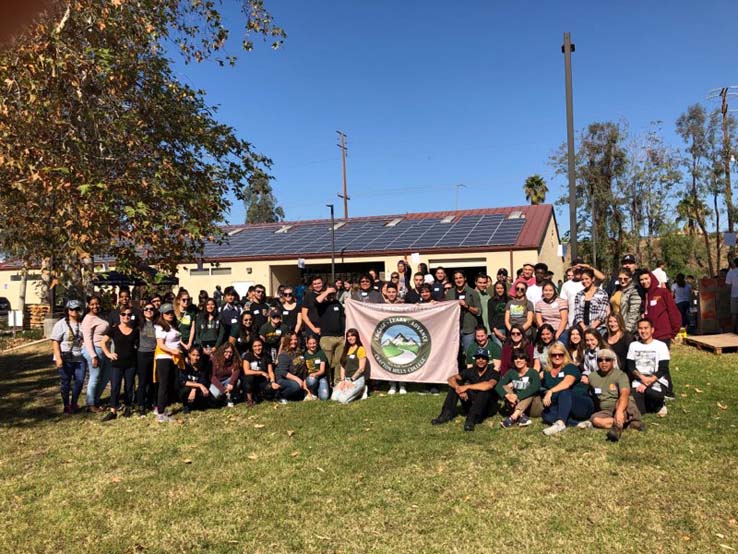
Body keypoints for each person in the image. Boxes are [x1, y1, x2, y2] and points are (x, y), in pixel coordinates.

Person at [430, 348, 500, 432]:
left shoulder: (493, 372)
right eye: (478, 358)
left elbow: (489, 385)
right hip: (472, 403)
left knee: (483, 391)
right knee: (454, 387)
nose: (480, 360)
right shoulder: (471, 371)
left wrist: (467, 387)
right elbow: (451, 379)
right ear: (475, 360)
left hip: (487, 407)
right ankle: (445, 415)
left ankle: (471, 420)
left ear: (487, 360)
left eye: (483, 358)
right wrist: (458, 388)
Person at [584, 348, 643, 441]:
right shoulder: (592, 377)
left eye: (607, 360)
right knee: (595, 420)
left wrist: (619, 411)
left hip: (623, 405)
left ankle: (617, 430)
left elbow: (624, 394)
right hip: (607, 410)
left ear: (613, 361)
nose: (604, 362)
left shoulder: (620, 375)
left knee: (620, 403)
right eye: (600, 360)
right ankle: (628, 424)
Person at [540, 343, 594, 436]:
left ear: (565, 355)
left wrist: (550, 391)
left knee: (564, 392)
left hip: (581, 404)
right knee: (546, 414)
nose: (557, 357)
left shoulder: (570, 367)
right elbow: (534, 380)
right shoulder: (546, 372)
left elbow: (567, 383)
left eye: (560, 354)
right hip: (564, 407)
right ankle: (578, 424)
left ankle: (560, 423)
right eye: (554, 355)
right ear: (549, 356)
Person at [99, 306, 140, 421]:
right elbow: (103, 342)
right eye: (123, 314)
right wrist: (108, 354)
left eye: (129, 314)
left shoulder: (135, 330)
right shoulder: (114, 329)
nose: (126, 316)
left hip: (131, 363)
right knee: (115, 387)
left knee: (129, 387)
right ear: (120, 316)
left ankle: (128, 407)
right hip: (117, 363)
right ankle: (113, 411)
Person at [626, 318, 672, 417]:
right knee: (639, 410)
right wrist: (642, 379)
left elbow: (663, 368)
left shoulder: (661, 345)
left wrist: (648, 382)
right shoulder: (633, 345)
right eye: (640, 328)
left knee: (653, 394)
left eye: (646, 328)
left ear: (652, 330)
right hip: (639, 381)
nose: (643, 331)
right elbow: (631, 366)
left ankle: (660, 403)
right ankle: (650, 405)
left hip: (657, 381)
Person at [51, 299, 86, 415]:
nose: (75, 311)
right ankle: (66, 405)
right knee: (65, 382)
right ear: (67, 310)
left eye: (77, 309)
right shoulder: (60, 324)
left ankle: (74, 402)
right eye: (72, 309)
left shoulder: (82, 324)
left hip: (79, 357)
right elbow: (55, 342)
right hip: (65, 357)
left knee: (80, 381)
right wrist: (58, 358)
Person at [153, 303, 183, 422]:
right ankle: (160, 413)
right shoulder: (160, 327)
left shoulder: (173, 326)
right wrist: (173, 351)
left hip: (173, 358)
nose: (170, 315)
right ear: (162, 315)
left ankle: (163, 407)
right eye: (167, 313)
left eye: (171, 312)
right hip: (164, 357)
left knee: (172, 384)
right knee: (163, 385)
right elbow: (160, 344)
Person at [497, 348, 541, 428]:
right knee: (504, 387)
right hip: (516, 403)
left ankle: (512, 418)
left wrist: (517, 396)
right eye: (515, 358)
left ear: (526, 360)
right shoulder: (511, 372)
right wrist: (507, 395)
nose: (518, 360)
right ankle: (521, 416)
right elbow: (499, 386)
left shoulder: (533, 372)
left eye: (521, 358)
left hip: (533, 407)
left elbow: (536, 387)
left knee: (530, 391)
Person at [81, 295, 111, 412]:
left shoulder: (99, 316)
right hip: (94, 350)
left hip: (104, 349)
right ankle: (90, 404)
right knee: (95, 377)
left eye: (97, 304)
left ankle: (95, 399)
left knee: (106, 376)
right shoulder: (88, 319)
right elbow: (87, 339)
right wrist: (93, 355)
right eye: (92, 304)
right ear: (88, 305)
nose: (95, 306)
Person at [446, 270, 482, 366]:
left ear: (465, 278)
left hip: (468, 329)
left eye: (460, 277)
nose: (458, 280)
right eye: (456, 278)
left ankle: (470, 377)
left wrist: (467, 306)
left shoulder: (472, 292)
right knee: (454, 355)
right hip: (454, 329)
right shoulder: (449, 294)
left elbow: (478, 311)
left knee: (469, 354)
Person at [640, 271, 681, 347]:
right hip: (648, 336)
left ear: (651, 278)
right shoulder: (644, 296)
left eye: (646, 278)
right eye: (641, 280)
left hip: (663, 336)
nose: (644, 281)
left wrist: (673, 333)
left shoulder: (663, 292)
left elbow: (674, 312)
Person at [315, 284, 346, 383]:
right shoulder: (321, 304)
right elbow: (316, 301)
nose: (331, 295)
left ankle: (337, 382)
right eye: (330, 293)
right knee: (327, 362)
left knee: (339, 362)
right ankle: (327, 383)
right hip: (326, 338)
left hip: (340, 337)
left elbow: (343, 317)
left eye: (333, 293)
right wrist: (327, 292)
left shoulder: (338, 304)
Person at [330, 328, 369, 404]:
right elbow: (342, 366)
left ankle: (362, 390)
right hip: (346, 379)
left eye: (352, 336)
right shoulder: (346, 349)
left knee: (343, 400)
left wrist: (351, 380)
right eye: (348, 336)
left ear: (356, 337)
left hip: (356, 379)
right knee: (334, 398)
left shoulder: (360, 349)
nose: (350, 338)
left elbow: (361, 369)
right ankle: (352, 391)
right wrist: (342, 381)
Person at [136, 301, 158, 416]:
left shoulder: (157, 324)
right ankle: (141, 405)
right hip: (142, 354)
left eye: (151, 309)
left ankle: (150, 402)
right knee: (142, 381)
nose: (149, 311)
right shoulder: (139, 323)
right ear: (143, 311)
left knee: (152, 381)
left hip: (154, 354)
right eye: (146, 309)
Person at [241, 337, 277, 407]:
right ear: (252, 347)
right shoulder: (248, 356)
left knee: (271, 390)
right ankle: (249, 400)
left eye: (259, 345)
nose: (257, 348)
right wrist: (260, 372)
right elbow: (246, 371)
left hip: (262, 381)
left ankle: (260, 395)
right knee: (249, 378)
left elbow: (270, 371)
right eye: (255, 346)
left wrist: (272, 382)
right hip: (251, 382)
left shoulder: (267, 356)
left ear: (262, 345)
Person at [273, 332, 307, 403]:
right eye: (291, 340)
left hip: (293, 378)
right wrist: (298, 380)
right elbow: (283, 372)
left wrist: (304, 380)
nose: (294, 342)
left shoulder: (299, 352)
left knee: (300, 394)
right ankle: (279, 395)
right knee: (296, 386)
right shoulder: (283, 354)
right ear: (287, 341)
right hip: (283, 379)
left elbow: (303, 368)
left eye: (295, 339)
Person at [573, 268, 610, 333]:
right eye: (582, 279)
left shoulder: (602, 294)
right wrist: (584, 327)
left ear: (593, 279)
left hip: (599, 329)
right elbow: (577, 312)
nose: (584, 281)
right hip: (583, 328)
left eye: (587, 279)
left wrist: (592, 328)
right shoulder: (579, 295)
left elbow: (602, 313)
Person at [178, 346, 211, 413]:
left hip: (197, 389)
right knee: (186, 390)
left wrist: (194, 389)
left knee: (204, 391)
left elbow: (203, 381)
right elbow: (183, 381)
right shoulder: (184, 364)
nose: (195, 358)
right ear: (189, 354)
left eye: (198, 355)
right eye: (193, 355)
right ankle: (186, 405)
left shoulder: (204, 366)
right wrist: (198, 385)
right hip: (186, 388)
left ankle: (196, 404)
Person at [303, 335, 329, 400]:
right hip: (310, 379)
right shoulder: (305, 355)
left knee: (324, 397)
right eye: (310, 344)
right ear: (307, 345)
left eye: (314, 343)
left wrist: (315, 374)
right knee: (312, 381)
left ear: (317, 343)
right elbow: (304, 371)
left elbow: (322, 370)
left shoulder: (321, 353)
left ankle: (318, 391)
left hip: (321, 377)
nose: (312, 345)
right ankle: (312, 392)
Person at [559, 264, 584, 329]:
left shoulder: (586, 282)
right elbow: (563, 303)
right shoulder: (566, 285)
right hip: (571, 319)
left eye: (579, 270)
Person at [618, 267, 642, 334]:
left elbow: (634, 312)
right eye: (620, 279)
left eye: (625, 279)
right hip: (616, 327)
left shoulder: (634, 291)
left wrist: (627, 330)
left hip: (628, 329)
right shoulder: (617, 290)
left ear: (630, 278)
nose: (622, 281)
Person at [300, 275, 324, 339]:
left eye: (319, 283)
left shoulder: (326, 296)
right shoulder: (308, 296)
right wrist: (314, 329)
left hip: (325, 328)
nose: (317, 285)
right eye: (315, 284)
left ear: (322, 283)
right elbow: (304, 315)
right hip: (311, 329)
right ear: (312, 285)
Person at [487, 281, 509, 348]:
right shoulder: (491, 301)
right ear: (495, 289)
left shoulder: (509, 300)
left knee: (507, 350)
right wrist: (496, 331)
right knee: (499, 349)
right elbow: (490, 317)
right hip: (496, 329)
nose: (500, 290)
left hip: (508, 329)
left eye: (501, 288)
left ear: (504, 289)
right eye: (498, 288)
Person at [726, 258, 738, 333]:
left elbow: (728, 285)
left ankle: (733, 331)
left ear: (735, 264)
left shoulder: (731, 273)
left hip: (734, 295)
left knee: (734, 314)